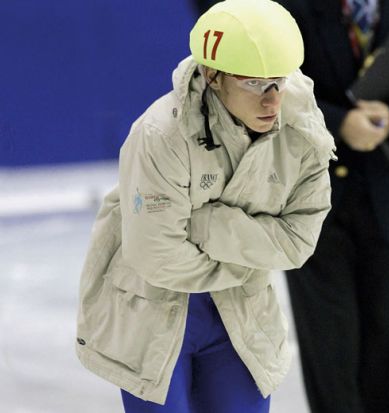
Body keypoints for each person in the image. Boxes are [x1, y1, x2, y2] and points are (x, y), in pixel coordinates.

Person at [75, 0, 335, 412]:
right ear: (212, 75)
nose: (271, 101)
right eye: (253, 84)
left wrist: (206, 224)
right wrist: (247, 259)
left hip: (241, 314)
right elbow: (156, 256)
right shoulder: (161, 133)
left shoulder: (303, 129)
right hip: (152, 310)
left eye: (278, 82)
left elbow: (298, 241)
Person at [271, 0, 389, 412]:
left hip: (386, 205)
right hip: (311, 203)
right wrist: (340, 122)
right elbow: (268, 86)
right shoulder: (289, 6)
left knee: (385, 357)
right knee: (329, 358)